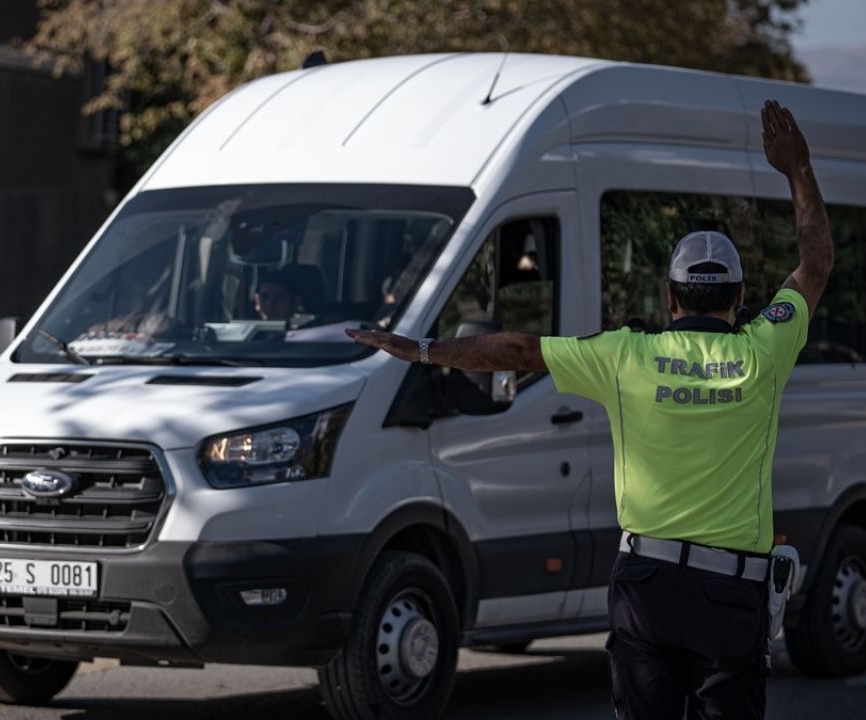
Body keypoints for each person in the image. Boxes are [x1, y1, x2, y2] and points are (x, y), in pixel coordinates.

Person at [346, 99, 832, 719]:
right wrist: (798, 168)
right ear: (740, 297)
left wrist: (420, 349)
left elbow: (519, 349)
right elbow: (815, 264)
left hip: (648, 585)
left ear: (669, 296)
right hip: (732, 592)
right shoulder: (767, 349)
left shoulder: (625, 355)